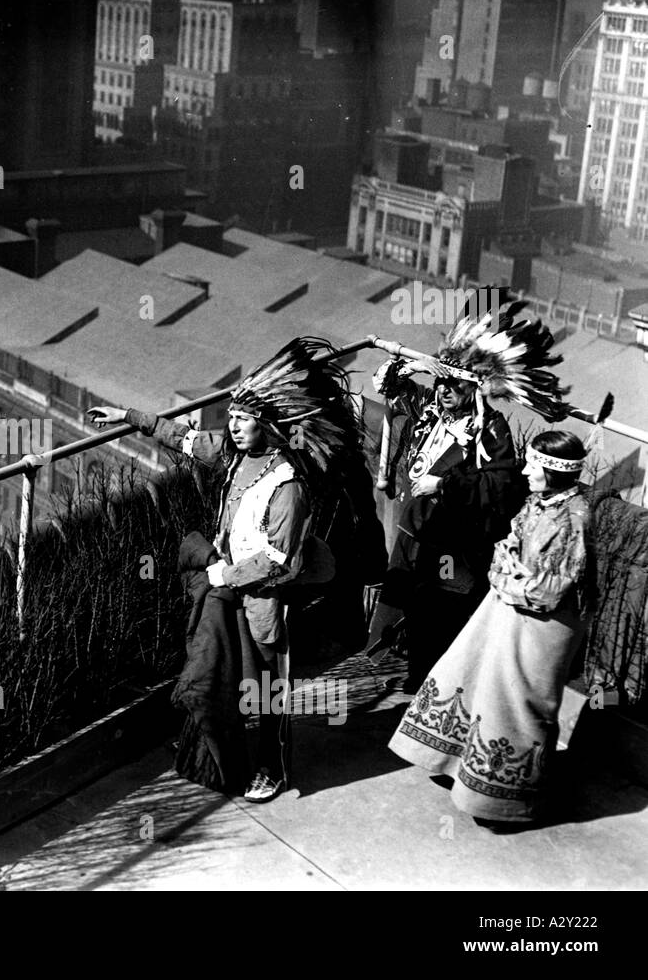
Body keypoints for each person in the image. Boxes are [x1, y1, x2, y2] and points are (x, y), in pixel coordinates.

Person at [90, 337, 370, 803]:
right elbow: (182, 437)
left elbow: (283, 559)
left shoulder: (288, 484)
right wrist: (128, 416)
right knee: (217, 666)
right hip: (227, 587)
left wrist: (226, 576)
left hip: (263, 598)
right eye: (233, 418)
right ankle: (210, 743)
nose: (234, 426)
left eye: (244, 419)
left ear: (267, 426)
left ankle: (272, 768)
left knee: (265, 686)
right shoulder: (233, 455)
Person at [387, 431, 596, 828]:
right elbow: (506, 546)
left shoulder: (576, 518)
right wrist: (507, 573)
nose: (526, 469)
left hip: (547, 624)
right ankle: (457, 764)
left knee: (519, 703)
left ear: (554, 471)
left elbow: (554, 588)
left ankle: (508, 802)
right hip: (507, 604)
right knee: (469, 673)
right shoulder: (537, 503)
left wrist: (509, 580)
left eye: (535, 465)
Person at [366, 301, 565, 692]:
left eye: (454, 386)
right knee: (407, 599)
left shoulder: (490, 431)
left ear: (473, 388)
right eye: (440, 385)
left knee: (441, 609)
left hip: (453, 543)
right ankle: (412, 667)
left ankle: (434, 678)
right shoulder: (429, 411)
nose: (443, 393)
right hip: (413, 530)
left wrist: (444, 486)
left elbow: (499, 486)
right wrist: (415, 366)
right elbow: (390, 385)